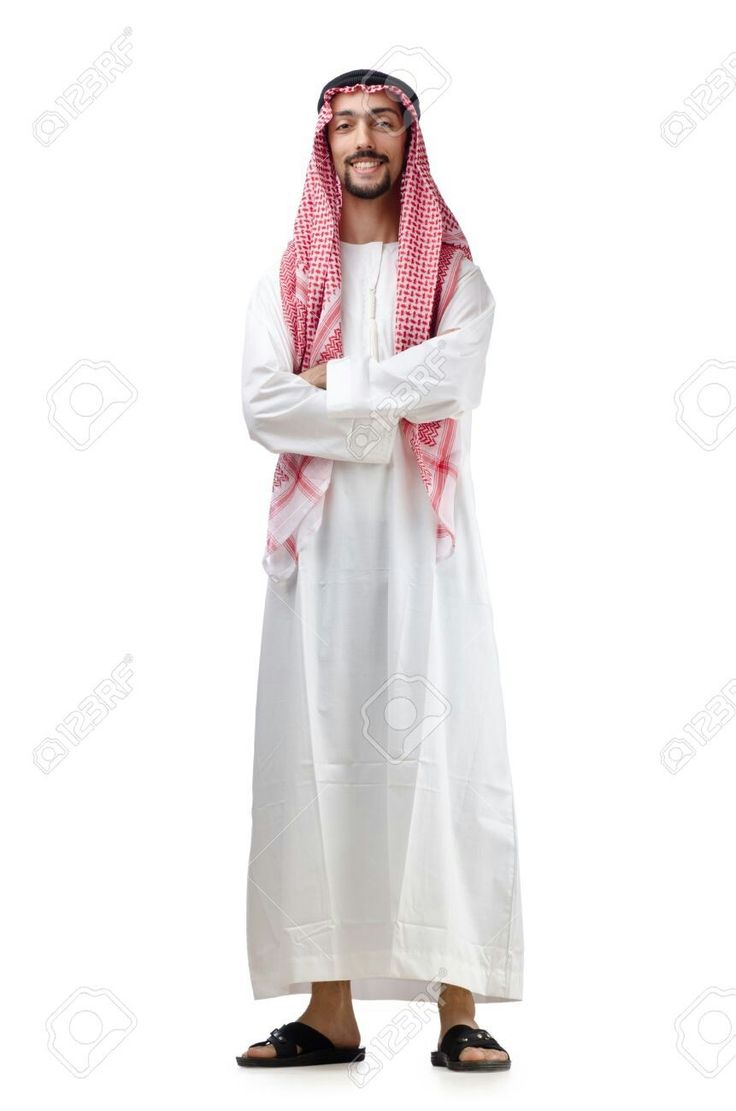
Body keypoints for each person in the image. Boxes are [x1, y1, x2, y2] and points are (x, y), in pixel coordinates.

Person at [237, 68, 523, 1072]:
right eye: (345, 122)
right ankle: (329, 1012)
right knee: (315, 758)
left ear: (408, 140)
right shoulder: (290, 274)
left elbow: (457, 378)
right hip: (315, 558)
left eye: (381, 121)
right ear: (327, 144)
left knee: (439, 751)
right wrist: (378, 405)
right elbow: (261, 404)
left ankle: (458, 1007)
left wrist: (340, 384)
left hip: (425, 543)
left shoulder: (449, 271)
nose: (363, 137)